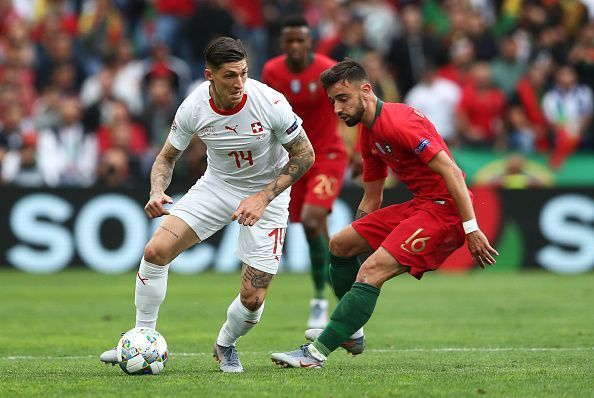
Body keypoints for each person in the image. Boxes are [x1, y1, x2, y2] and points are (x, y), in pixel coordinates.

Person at [99, 37, 315, 373]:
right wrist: (157, 190)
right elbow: (166, 158)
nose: (239, 83)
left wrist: (262, 197)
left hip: (267, 195)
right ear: (209, 76)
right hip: (217, 185)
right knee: (156, 251)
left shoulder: (270, 102)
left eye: (243, 73)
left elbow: (305, 154)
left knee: (253, 299)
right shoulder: (193, 107)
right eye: (230, 75)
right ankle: (142, 336)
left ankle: (226, 343)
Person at [270, 60, 498, 369]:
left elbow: (453, 172)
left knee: (371, 272)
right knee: (340, 244)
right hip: (421, 205)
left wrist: (471, 228)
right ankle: (352, 329)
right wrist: (359, 237)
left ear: (365, 91)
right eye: (332, 101)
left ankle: (314, 355)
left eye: (342, 98)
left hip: (447, 213)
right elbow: (372, 196)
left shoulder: (399, 123)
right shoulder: (369, 133)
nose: (337, 109)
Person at [262, 16, 348, 329]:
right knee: (314, 229)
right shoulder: (272, 71)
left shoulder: (328, 70)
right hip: (293, 159)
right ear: (283, 44)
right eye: (290, 41)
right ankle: (340, 295)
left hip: (326, 155)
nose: (296, 46)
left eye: (301, 40)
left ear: (309, 41)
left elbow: (352, 106)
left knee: (313, 220)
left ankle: (318, 300)